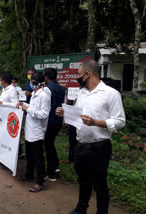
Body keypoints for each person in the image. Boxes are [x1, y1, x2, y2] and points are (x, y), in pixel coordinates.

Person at [56, 60, 125, 214]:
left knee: (100, 184)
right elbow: (78, 115)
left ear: (88, 74)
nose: (78, 78)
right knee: (83, 181)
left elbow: (120, 121)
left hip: (99, 147)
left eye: (79, 74)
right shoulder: (81, 93)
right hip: (80, 145)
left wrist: (97, 122)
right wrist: (65, 113)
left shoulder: (110, 94)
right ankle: (81, 208)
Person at [17, 72, 51, 193]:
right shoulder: (35, 93)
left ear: (36, 83)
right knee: (30, 156)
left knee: (38, 158)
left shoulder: (44, 95)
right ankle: (29, 174)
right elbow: (33, 108)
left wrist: (28, 109)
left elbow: (44, 114)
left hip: (37, 131)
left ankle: (40, 181)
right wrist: (24, 104)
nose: (30, 84)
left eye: (31, 82)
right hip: (29, 129)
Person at [43, 67, 65, 181]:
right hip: (58, 120)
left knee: (48, 145)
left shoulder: (47, 89)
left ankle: (51, 173)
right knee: (50, 143)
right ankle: (55, 166)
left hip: (49, 121)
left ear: (46, 77)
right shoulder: (61, 88)